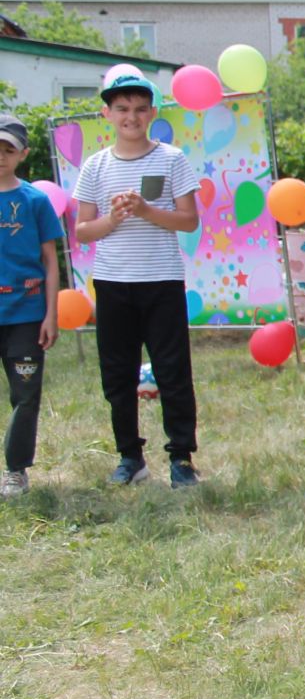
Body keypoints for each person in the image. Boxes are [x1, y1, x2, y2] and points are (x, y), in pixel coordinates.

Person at [72, 68, 202, 488]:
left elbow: (188, 220)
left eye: (141, 109)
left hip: (162, 281)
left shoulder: (172, 158)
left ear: (152, 113)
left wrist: (146, 211)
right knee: (117, 374)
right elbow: (82, 230)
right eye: (122, 109)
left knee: (172, 371)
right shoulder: (95, 166)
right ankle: (131, 456)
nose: (132, 117)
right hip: (112, 284)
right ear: (106, 113)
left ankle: (181, 458)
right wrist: (115, 217)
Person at [0, 115, 64, 496]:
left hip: (27, 316)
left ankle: (15, 470)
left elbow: (51, 261)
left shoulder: (36, 201)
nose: (0, 156)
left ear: (23, 154)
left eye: (8, 150)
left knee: (25, 396)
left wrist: (50, 315)